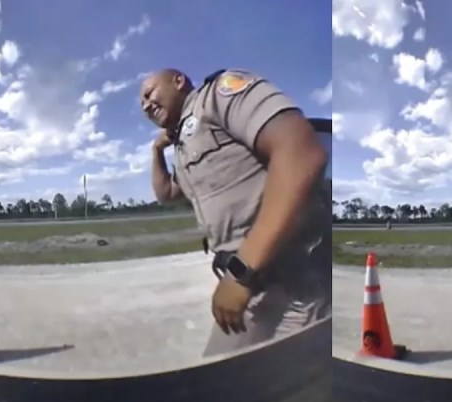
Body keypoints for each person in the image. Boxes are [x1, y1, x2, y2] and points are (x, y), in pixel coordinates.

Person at [140, 68, 331, 357]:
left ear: (178, 81)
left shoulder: (217, 96)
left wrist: (242, 272)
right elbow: (166, 193)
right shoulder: (183, 143)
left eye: (149, 93)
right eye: (142, 103)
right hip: (253, 285)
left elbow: (302, 153)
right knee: (228, 376)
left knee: (280, 378)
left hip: (288, 279)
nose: (145, 105)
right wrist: (157, 151)